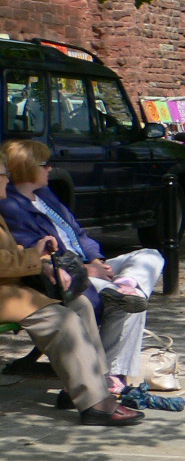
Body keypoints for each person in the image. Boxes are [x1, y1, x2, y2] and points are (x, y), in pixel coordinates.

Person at [1, 140, 162, 380]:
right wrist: (86, 270)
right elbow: (42, 254)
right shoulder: (12, 206)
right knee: (129, 307)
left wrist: (96, 260)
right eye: (45, 164)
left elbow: (78, 232)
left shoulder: (45, 195)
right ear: (27, 167)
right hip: (66, 274)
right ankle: (111, 376)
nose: (50, 169)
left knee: (150, 256)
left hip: (89, 267)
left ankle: (128, 284)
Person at [0, 195, 142, 426]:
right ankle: (95, 403)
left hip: (10, 290)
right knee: (62, 321)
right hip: (7, 294)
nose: (8, 179)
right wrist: (35, 260)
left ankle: (94, 383)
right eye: (4, 174)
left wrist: (41, 257)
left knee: (79, 304)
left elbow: (7, 250)